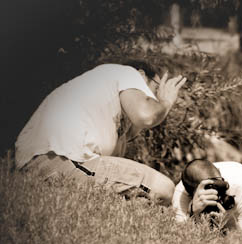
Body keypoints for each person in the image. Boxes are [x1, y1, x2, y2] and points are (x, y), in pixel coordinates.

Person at [15, 60, 187, 205]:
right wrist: (165, 102)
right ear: (141, 75)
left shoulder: (105, 105)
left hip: (52, 162)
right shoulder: (127, 73)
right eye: (156, 88)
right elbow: (146, 116)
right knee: (164, 188)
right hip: (59, 159)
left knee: (139, 196)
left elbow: (115, 167)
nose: (154, 98)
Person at [171, 158, 242, 231]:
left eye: (221, 190)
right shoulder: (182, 192)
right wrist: (193, 214)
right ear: (191, 194)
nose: (217, 198)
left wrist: (230, 224)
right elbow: (182, 237)